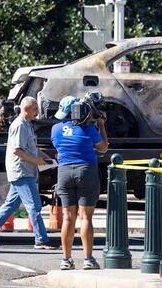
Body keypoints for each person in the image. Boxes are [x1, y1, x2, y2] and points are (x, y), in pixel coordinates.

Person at [0, 96, 56, 249]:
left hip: (24, 171)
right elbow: (17, 150)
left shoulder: (27, 125)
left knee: (10, 205)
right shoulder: (20, 125)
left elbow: (32, 148)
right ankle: (41, 240)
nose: (37, 113)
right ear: (26, 109)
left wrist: (45, 158)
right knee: (34, 206)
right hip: (22, 171)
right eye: (35, 110)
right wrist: (36, 161)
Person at [51, 95, 109, 271]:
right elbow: (103, 147)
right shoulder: (89, 129)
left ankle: (66, 259)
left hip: (64, 172)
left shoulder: (55, 129)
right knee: (85, 217)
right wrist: (101, 125)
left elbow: (58, 148)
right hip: (86, 170)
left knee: (68, 218)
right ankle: (88, 259)